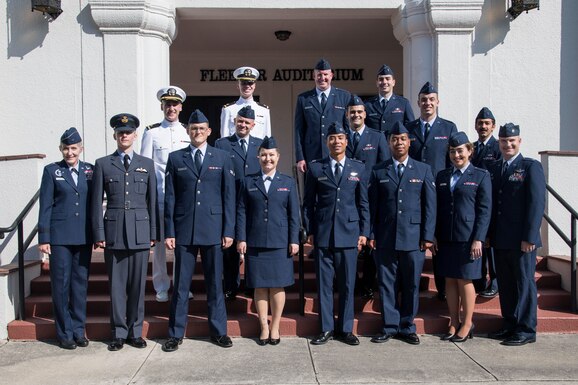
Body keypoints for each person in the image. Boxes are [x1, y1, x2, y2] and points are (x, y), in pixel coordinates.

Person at [162, 109, 236, 352]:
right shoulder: (175, 158)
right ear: (188, 131)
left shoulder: (222, 157)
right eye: (194, 129)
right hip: (184, 230)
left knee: (215, 283)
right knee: (181, 285)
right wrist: (169, 231)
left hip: (214, 229)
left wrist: (228, 230)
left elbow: (228, 197)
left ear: (209, 132)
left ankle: (219, 331)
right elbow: (170, 198)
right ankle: (175, 333)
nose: (197, 132)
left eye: (202, 129)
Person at [92, 114, 157, 351]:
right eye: (120, 132)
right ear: (115, 136)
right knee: (117, 287)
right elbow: (96, 201)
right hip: (114, 231)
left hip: (140, 231)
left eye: (128, 132)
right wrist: (99, 232)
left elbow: (152, 201)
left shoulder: (146, 164)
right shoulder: (103, 164)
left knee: (138, 286)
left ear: (135, 135)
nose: (124, 136)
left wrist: (153, 232)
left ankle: (135, 332)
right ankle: (118, 332)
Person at [368, 121, 436, 345]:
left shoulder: (423, 169)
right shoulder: (379, 170)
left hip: (414, 238)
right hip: (386, 237)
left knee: (411, 284)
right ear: (389, 143)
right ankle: (389, 326)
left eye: (403, 139)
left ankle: (407, 326)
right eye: (395, 139)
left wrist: (427, 236)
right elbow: (372, 205)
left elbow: (429, 205)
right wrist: (371, 234)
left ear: (409, 142)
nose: (399, 142)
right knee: (387, 284)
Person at [304, 122, 369, 346]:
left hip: (349, 233)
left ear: (346, 141)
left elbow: (363, 203)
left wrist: (364, 231)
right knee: (324, 285)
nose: (336, 141)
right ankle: (326, 329)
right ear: (327, 142)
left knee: (347, 284)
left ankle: (346, 329)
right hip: (323, 234)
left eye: (340, 138)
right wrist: (310, 229)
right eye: (332, 138)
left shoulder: (358, 168)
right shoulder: (315, 168)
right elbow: (308, 203)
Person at [236, 136, 299, 345]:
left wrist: (294, 239)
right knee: (260, 286)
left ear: (278, 157)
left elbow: (293, 215)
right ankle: (263, 326)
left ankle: (275, 326)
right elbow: (242, 211)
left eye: (271, 155)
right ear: (258, 157)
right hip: (255, 241)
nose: (267, 158)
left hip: (280, 242)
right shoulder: (248, 181)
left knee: (278, 286)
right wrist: (241, 238)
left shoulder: (288, 182)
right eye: (263, 154)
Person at [487, 123, 546, 346]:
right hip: (501, 238)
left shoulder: (530, 167)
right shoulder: (495, 168)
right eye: (503, 141)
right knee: (506, 282)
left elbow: (536, 203)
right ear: (499, 142)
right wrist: (490, 234)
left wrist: (530, 237)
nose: (508, 144)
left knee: (524, 282)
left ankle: (526, 328)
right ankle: (510, 323)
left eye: (512, 141)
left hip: (522, 240)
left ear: (519, 141)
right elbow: (493, 205)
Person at [37, 127, 93, 350]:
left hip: (83, 236)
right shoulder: (52, 172)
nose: (70, 153)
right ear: (60, 149)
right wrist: (44, 237)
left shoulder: (90, 170)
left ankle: (79, 330)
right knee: (61, 285)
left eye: (74, 148)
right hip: (60, 238)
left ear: (81, 149)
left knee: (80, 285)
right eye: (66, 148)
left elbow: (94, 204)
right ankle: (64, 333)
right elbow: (45, 206)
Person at [433, 132, 492, 342]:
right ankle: (454, 320)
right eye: (452, 151)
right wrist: (434, 235)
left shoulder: (481, 175)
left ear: (469, 151)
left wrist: (479, 238)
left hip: (468, 238)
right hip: (446, 236)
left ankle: (468, 322)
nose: (456, 155)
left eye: (460, 151)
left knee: (465, 280)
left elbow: (484, 210)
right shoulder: (441, 176)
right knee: (449, 279)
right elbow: (437, 208)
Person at [140, 86, 191, 303]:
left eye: (175, 104)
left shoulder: (188, 131)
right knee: (160, 245)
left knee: (182, 245)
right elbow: (145, 168)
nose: (171, 108)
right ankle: (161, 285)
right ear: (162, 106)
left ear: (180, 107)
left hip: (184, 200)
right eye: (167, 104)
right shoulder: (152, 133)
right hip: (160, 198)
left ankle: (181, 284)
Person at [407, 81, 457, 300]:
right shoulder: (408, 128)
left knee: (439, 241)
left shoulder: (448, 127)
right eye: (424, 100)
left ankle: (443, 290)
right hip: (412, 192)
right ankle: (411, 286)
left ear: (437, 102)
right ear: (418, 103)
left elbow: (452, 161)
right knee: (415, 239)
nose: (427, 103)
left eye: (431, 99)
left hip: (439, 192)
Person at [215, 105, 263, 301]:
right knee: (230, 246)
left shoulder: (260, 144)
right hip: (231, 201)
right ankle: (231, 286)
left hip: (253, 201)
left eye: (246, 122)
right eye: (239, 121)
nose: (242, 125)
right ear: (234, 122)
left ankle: (252, 284)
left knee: (253, 243)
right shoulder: (222, 144)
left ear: (253, 125)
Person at [345, 95, 389, 299]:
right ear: (347, 115)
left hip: (371, 195)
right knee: (348, 239)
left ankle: (368, 283)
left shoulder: (377, 136)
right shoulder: (340, 135)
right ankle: (348, 281)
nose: (356, 115)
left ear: (365, 114)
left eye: (359, 112)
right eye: (352, 112)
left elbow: (384, 166)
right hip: (346, 195)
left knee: (370, 237)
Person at [295, 58, 351, 173]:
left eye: (325, 74)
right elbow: (299, 130)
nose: (322, 78)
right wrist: (300, 158)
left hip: (337, 153)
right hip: (312, 154)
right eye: (319, 75)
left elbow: (348, 129)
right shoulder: (304, 99)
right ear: (314, 76)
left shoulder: (344, 96)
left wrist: (349, 154)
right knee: (311, 189)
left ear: (331, 75)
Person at [471, 107, 502, 298]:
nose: (483, 126)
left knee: (491, 245)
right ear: (476, 125)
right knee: (478, 241)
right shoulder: (471, 148)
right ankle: (480, 280)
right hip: (474, 201)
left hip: (491, 201)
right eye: (480, 123)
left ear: (493, 126)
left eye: (487, 123)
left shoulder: (498, 147)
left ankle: (495, 282)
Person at [220, 66, 271, 139]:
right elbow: (224, 137)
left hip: (257, 149)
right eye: (243, 83)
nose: (247, 86)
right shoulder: (228, 109)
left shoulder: (264, 110)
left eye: (250, 83)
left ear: (254, 86)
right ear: (238, 85)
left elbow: (267, 136)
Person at [364, 64, 414, 136]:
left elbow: (410, 128)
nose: (384, 82)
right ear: (377, 83)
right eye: (381, 79)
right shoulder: (368, 104)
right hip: (375, 146)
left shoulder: (403, 103)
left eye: (387, 79)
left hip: (395, 146)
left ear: (393, 82)